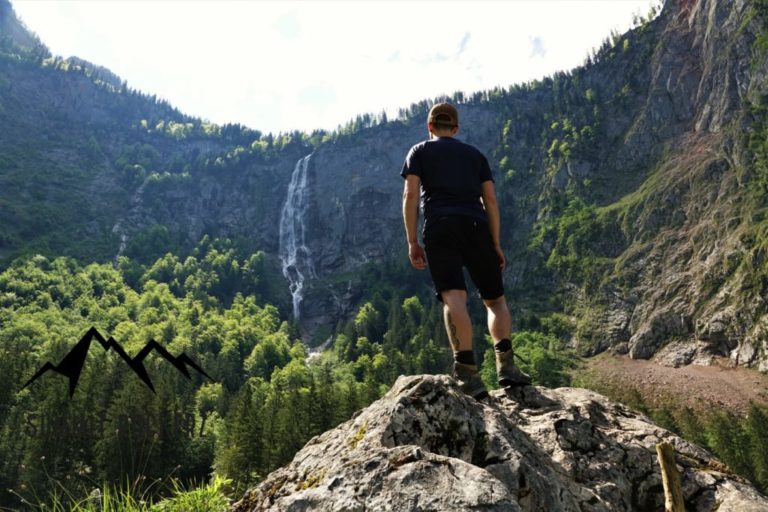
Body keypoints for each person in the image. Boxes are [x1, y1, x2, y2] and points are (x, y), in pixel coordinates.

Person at [400, 102, 531, 400]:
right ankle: (506, 366)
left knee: (454, 297)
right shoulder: (475, 155)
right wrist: (495, 243)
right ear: (456, 129)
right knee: (495, 300)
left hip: (440, 227)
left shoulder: (419, 151)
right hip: (476, 226)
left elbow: (410, 194)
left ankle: (468, 373)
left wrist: (412, 241)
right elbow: (491, 202)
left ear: (429, 126)